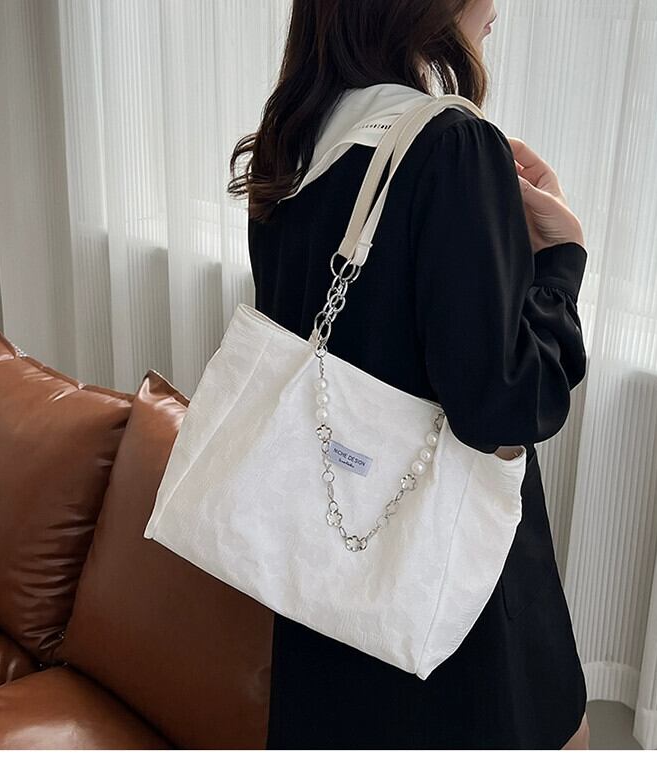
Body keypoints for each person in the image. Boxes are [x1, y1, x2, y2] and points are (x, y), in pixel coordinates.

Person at [228, 0, 590, 750]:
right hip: (445, 603)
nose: (497, 7)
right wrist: (560, 262)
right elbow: (502, 407)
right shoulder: (451, 146)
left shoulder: (294, 138)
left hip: (322, 583)